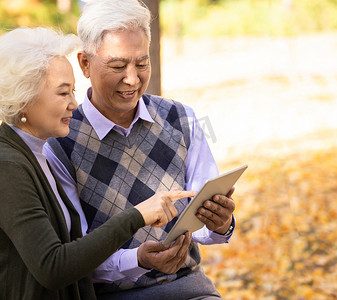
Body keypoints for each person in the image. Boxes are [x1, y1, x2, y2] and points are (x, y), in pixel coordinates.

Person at [0, 26, 195, 300]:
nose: (74, 103)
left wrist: (139, 257)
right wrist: (137, 216)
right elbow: (53, 267)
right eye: (63, 93)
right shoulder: (2, 166)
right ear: (23, 98)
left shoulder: (37, 155)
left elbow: (73, 252)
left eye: (72, 91)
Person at [44, 0, 237, 299]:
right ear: (84, 64)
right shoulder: (60, 142)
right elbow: (73, 257)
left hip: (190, 289)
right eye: (118, 65)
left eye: (142, 63)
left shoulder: (180, 119)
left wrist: (220, 224)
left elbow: (201, 225)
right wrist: (138, 260)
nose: (132, 79)